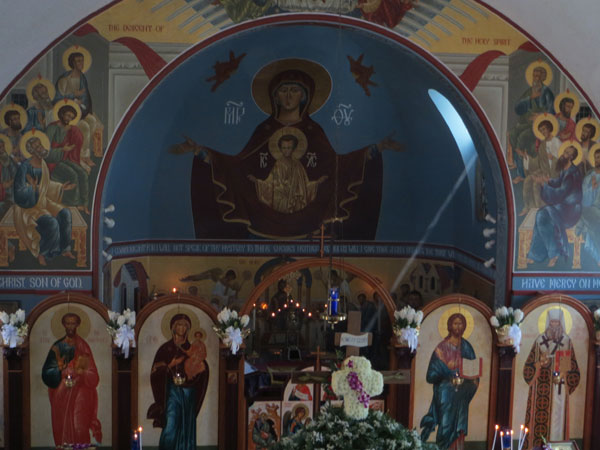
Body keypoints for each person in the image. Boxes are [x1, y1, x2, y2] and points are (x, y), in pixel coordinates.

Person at [172, 59, 402, 239]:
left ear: (304, 95)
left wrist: (377, 148)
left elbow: (337, 166)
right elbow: (238, 165)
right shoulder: (265, 130)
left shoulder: (314, 130)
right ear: (275, 95)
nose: (289, 95)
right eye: (284, 90)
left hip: (309, 222)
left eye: (294, 90)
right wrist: (200, 152)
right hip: (263, 221)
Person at [147, 313, 210, 450]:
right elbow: (154, 372)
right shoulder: (165, 348)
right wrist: (171, 364)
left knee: (186, 424)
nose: (182, 328)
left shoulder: (192, 348)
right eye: (179, 325)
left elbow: (201, 366)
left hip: (188, 392)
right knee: (171, 422)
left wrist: (200, 369)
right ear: (173, 327)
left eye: (185, 326)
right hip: (171, 392)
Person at [13, 134, 75, 266]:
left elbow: (46, 185)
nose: (40, 148)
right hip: (28, 207)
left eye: (40, 145)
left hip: (42, 201)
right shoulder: (25, 167)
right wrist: (33, 189)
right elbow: (18, 193)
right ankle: (43, 253)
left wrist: (60, 187)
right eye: (37, 146)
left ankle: (64, 248)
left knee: (65, 213)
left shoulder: (43, 164)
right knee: (51, 223)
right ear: (31, 151)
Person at [41, 312, 102, 447]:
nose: (70, 327)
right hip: (61, 393)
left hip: (81, 391)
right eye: (68, 323)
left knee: (79, 425)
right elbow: (46, 373)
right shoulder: (57, 347)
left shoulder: (83, 346)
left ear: (78, 325)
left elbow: (93, 375)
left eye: (73, 323)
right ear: (63, 325)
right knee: (61, 426)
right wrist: (61, 371)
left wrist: (80, 373)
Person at [522, 309, 580, 449]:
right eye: (552, 322)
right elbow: (528, 368)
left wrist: (562, 375)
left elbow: (570, 367)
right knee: (539, 423)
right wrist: (539, 364)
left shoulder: (566, 341)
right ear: (548, 323)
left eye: (557, 322)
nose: (554, 325)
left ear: (561, 323)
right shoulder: (539, 341)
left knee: (558, 423)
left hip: (559, 389)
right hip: (540, 391)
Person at [420, 313, 478, 450]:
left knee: (460, 427)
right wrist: (447, 373)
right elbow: (430, 375)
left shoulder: (467, 347)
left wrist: (470, 382)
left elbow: (474, 372)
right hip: (445, 393)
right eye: (455, 323)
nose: (458, 326)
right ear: (449, 326)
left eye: (461, 323)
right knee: (445, 425)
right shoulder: (441, 348)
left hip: (462, 393)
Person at [526, 145, 583, 267]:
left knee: (542, 215)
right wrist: (547, 181)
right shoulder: (566, 169)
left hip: (570, 211)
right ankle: (538, 254)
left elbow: (561, 193)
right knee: (540, 216)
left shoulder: (572, 173)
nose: (563, 154)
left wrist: (544, 185)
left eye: (567, 153)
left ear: (571, 157)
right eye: (564, 151)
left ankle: (552, 253)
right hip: (563, 206)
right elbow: (558, 183)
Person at [248, 132, 327, 213]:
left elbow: (304, 186)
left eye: (289, 148)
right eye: (284, 148)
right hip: (280, 201)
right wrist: (257, 181)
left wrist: (317, 183)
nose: (286, 151)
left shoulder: (298, 165)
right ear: (280, 148)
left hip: (295, 201)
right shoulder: (278, 165)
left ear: (294, 148)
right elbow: (270, 184)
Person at [509, 65, 555, 184]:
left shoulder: (547, 92)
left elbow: (552, 111)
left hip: (539, 126)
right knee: (513, 133)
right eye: (535, 75)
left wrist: (540, 116)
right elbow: (518, 108)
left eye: (539, 76)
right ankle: (516, 163)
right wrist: (530, 98)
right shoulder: (529, 91)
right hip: (526, 123)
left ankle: (521, 174)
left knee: (522, 137)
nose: (536, 78)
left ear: (544, 78)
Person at [45, 104, 90, 213]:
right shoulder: (52, 128)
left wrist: (74, 131)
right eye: (67, 115)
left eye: (71, 117)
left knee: (83, 173)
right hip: (53, 161)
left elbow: (77, 143)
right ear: (61, 114)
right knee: (73, 174)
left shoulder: (71, 129)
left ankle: (84, 204)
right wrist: (62, 150)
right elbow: (45, 152)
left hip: (65, 159)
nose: (69, 119)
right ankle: (73, 204)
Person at [521, 119, 561, 216]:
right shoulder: (542, 144)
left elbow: (563, 159)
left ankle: (539, 208)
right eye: (541, 130)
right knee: (527, 180)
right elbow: (538, 161)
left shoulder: (557, 142)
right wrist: (528, 159)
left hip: (554, 172)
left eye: (544, 129)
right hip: (543, 170)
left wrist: (554, 158)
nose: (543, 132)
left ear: (549, 128)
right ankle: (528, 206)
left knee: (536, 184)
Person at [576, 148, 600, 265]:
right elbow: (584, 200)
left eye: (599, 157)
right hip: (590, 209)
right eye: (596, 158)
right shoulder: (589, 177)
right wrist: (592, 188)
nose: (597, 160)